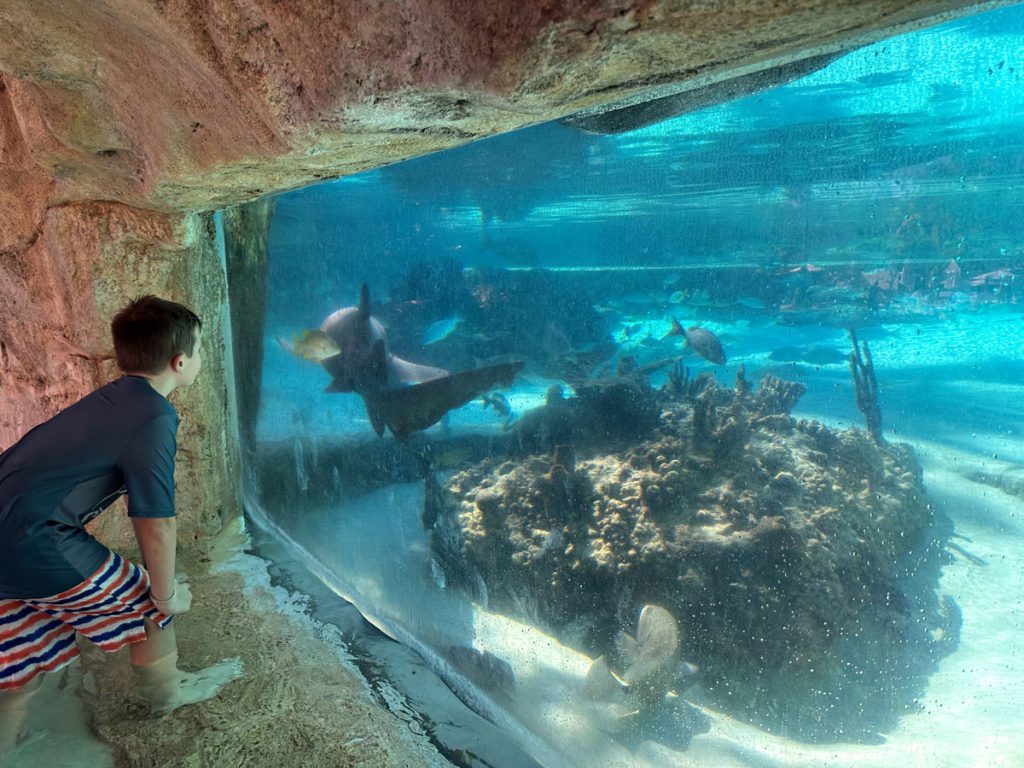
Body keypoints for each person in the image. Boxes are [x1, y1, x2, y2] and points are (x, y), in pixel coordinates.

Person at [0, 295, 242, 756]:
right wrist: (166, 594)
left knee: (20, 660)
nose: (203, 359)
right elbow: (156, 521)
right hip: (34, 538)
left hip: (8, 530)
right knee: (151, 605)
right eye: (202, 350)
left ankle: (7, 748)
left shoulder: (110, 399)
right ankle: (168, 692)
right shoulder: (154, 414)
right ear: (180, 360)